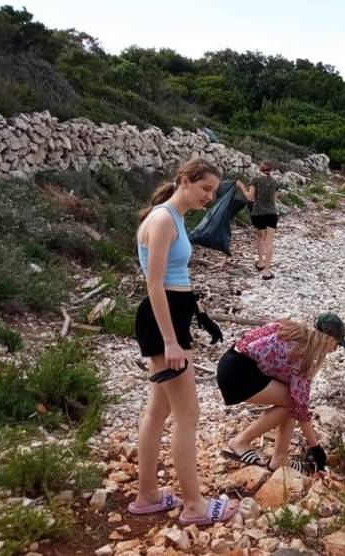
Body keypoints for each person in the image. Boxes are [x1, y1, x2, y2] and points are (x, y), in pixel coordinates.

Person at [130, 158, 239, 526]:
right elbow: (154, 284)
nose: (209, 197)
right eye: (205, 189)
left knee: (158, 411)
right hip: (164, 322)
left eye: (212, 191)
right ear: (184, 181)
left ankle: (147, 496)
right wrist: (171, 341)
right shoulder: (162, 219)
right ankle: (194, 506)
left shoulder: (171, 218)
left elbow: (174, 279)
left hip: (173, 315)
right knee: (187, 414)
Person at [217, 312, 345, 473]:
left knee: (292, 401)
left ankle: (279, 458)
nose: (335, 349)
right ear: (328, 339)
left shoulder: (292, 329)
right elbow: (301, 408)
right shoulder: (302, 354)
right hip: (237, 375)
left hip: (229, 361)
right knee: (293, 403)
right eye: (337, 344)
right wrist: (316, 448)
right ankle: (241, 442)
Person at [237, 161, 281, 281]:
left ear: (260, 169)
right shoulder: (275, 182)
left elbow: (250, 197)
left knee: (259, 236)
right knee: (269, 240)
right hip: (271, 213)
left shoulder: (255, 179)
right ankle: (267, 271)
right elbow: (274, 200)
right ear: (271, 170)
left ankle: (260, 262)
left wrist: (241, 187)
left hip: (257, 213)